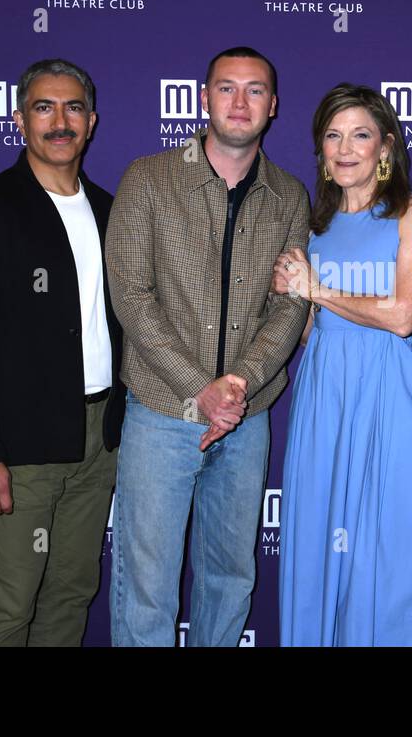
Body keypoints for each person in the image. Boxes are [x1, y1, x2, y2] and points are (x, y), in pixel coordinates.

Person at [105, 47, 310, 647]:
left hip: (246, 419)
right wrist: (201, 388)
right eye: (226, 88)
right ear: (204, 98)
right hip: (162, 411)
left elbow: (290, 303)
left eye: (254, 91)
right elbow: (132, 297)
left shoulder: (290, 196)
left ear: (273, 106)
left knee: (229, 577)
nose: (239, 102)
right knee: (148, 582)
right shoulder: (148, 178)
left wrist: (237, 385)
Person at [0, 58, 125, 646]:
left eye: (73, 108)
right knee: (10, 596)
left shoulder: (110, 209)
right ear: (20, 120)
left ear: (91, 121)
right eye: (45, 107)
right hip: (18, 444)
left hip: (99, 435)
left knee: (71, 590)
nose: (60, 121)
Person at [274, 84, 412, 646]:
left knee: (393, 542)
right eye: (333, 135)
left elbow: (404, 316)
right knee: (321, 535)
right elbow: (309, 331)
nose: (345, 148)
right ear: (320, 150)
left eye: (360, 134)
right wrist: (292, 296)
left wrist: (317, 290)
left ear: (386, 147)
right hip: (326, 389)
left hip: (392, 391)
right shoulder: (312, 226)